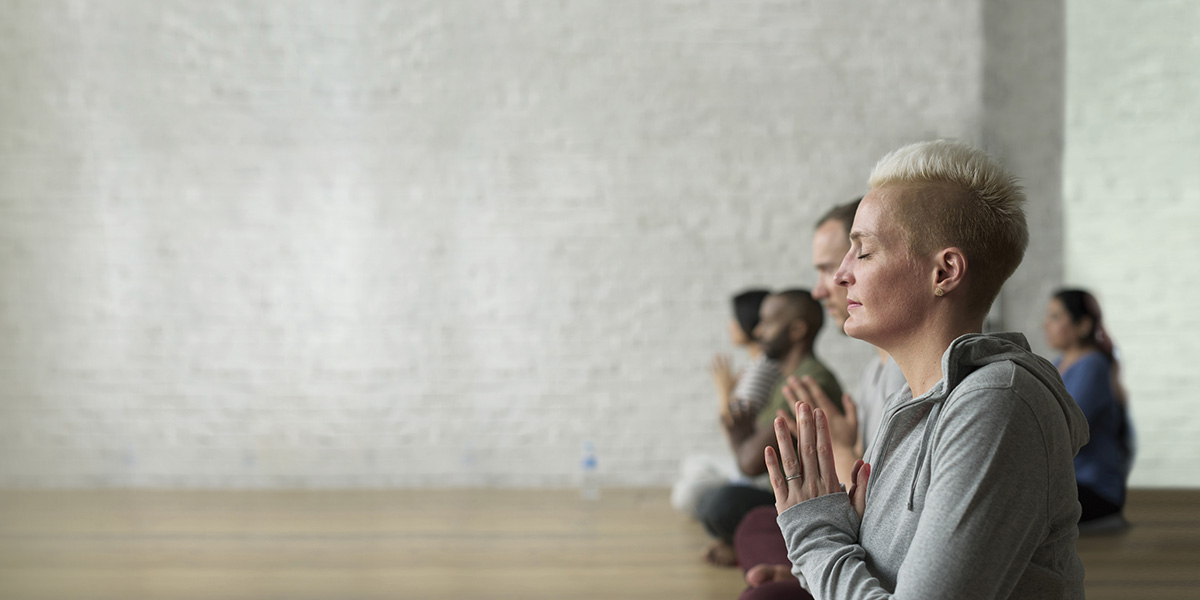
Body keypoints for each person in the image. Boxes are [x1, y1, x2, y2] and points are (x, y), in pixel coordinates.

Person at [761, 140, 1087, 598]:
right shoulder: (909, 399)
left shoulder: (998, 404)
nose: (840, 276)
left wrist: (814, 533)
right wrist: (832, 533)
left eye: (864, 252)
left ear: (944, 272)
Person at [733, 199, 907, 600]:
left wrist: (844, 449)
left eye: (832, 267)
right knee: (759, 523)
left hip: (871, 561)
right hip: (856, 545)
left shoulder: (910, 380)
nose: (824, 286)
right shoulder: (871, 374)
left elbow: (877, 516)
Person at [696, 289, 843, 566]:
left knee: (719, 505)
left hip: (807, 503)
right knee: (710, 502)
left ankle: (756, 551)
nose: (759, 331)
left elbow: (750, 463)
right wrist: (742, 438)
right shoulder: (786, 377)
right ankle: (749, 547)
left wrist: (739, 435)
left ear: (797, 329)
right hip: (780, 493)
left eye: (767, 323)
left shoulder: (808, 383)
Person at [672, 289, 778, 516]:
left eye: (735, 318)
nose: (730, 325)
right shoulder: (754, 365)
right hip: (743, 460)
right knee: (693, 464)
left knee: (685, 492)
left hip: (752, 467)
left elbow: (732, 424)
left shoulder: (762, 368)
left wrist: (723, 392)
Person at [1044, 288, 1134, 531]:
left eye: (1055, 317)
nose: (1046, 324)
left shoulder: (1093, 365)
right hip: (1067, 485)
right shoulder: (1057, 365)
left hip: (1094, 489)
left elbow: (1065, 429)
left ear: (1083, 324)